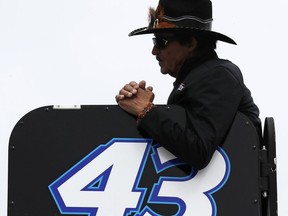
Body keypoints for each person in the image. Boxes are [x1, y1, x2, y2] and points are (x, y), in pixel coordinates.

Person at [115, 0, 261, 169]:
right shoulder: (196, 79)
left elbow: (198, 150)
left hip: (237, 190)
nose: (154, 51)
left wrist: (146, 111)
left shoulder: (218, 75)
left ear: (191, 44)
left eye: (161, 41)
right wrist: (138, 109)